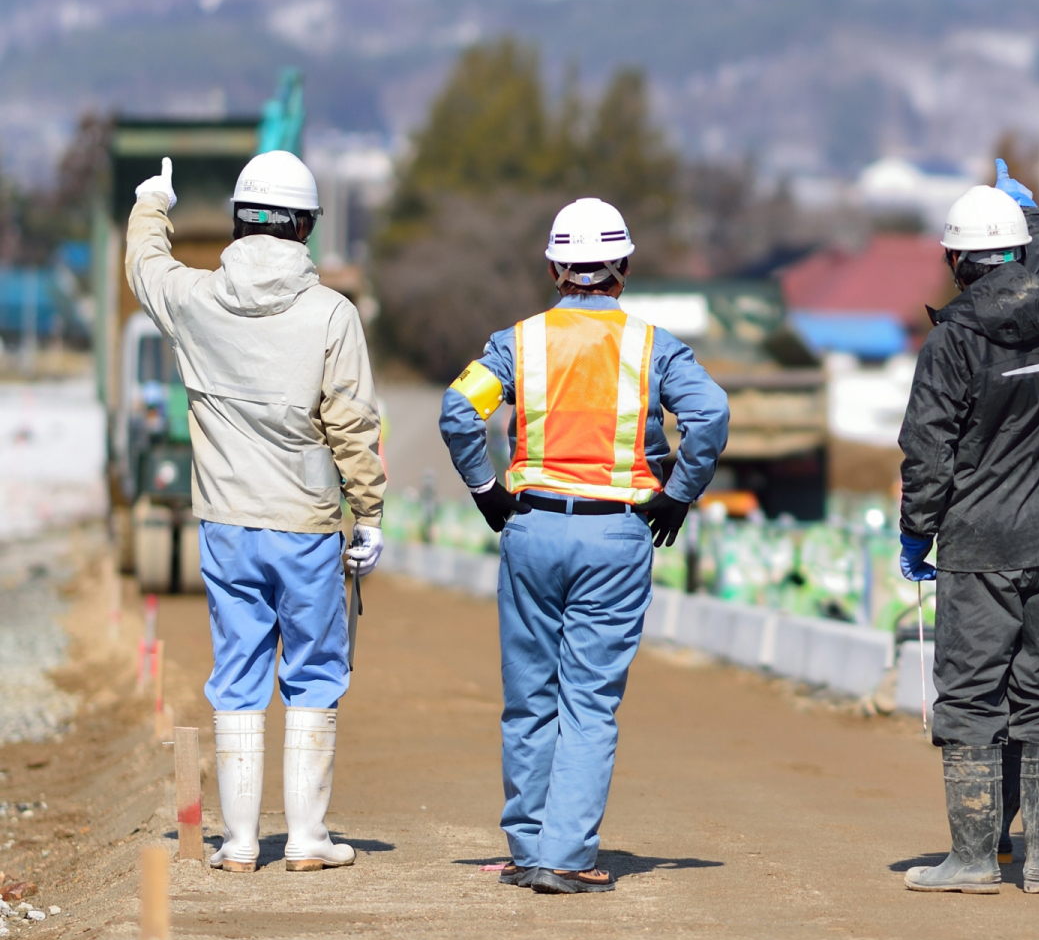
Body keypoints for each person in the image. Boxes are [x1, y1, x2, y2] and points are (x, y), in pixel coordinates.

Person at [439, 197, 728, 895]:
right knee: (588, 700)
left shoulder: (518, 344)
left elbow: (457, 411)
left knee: (529, 696)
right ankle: (567, 856)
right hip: (618, 533)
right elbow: (711, 413)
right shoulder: (654, 346)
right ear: (623, 268)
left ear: (554, 267)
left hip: (531, 528)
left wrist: (485, 489)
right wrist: (679, 493)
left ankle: (529, 847)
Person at [127, 153, 385, 873]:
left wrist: (153, 204)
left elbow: (145, 266)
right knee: (314, 673)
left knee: (236, 672)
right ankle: (306, 838)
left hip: (226, 526)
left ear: (240, 220)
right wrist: (368, 513)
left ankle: (239, 843)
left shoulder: (195, 300)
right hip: (303, 526)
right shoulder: (332, 314)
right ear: (305, 227)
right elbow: (353, 426)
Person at [898, 160, 1039, 895]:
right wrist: (1030, 213)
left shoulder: (951, 344)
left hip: (978, 543)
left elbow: (927, 451)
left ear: (954, 262)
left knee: (973, 696)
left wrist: (918, 533)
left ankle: (976, 859)